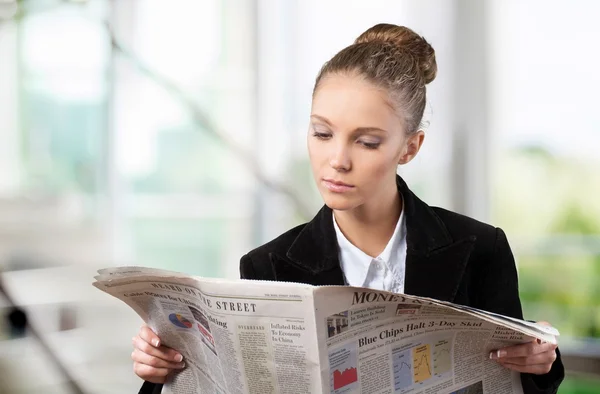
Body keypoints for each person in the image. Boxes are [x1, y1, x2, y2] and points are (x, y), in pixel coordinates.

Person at [132, 23, 564, 394]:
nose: (337, 160)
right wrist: (163, 368)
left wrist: (542, 362)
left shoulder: (480, 248)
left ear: (410, 148)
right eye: (322, 134)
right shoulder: (267, 264)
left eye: (367, 141)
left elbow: (520, 378)